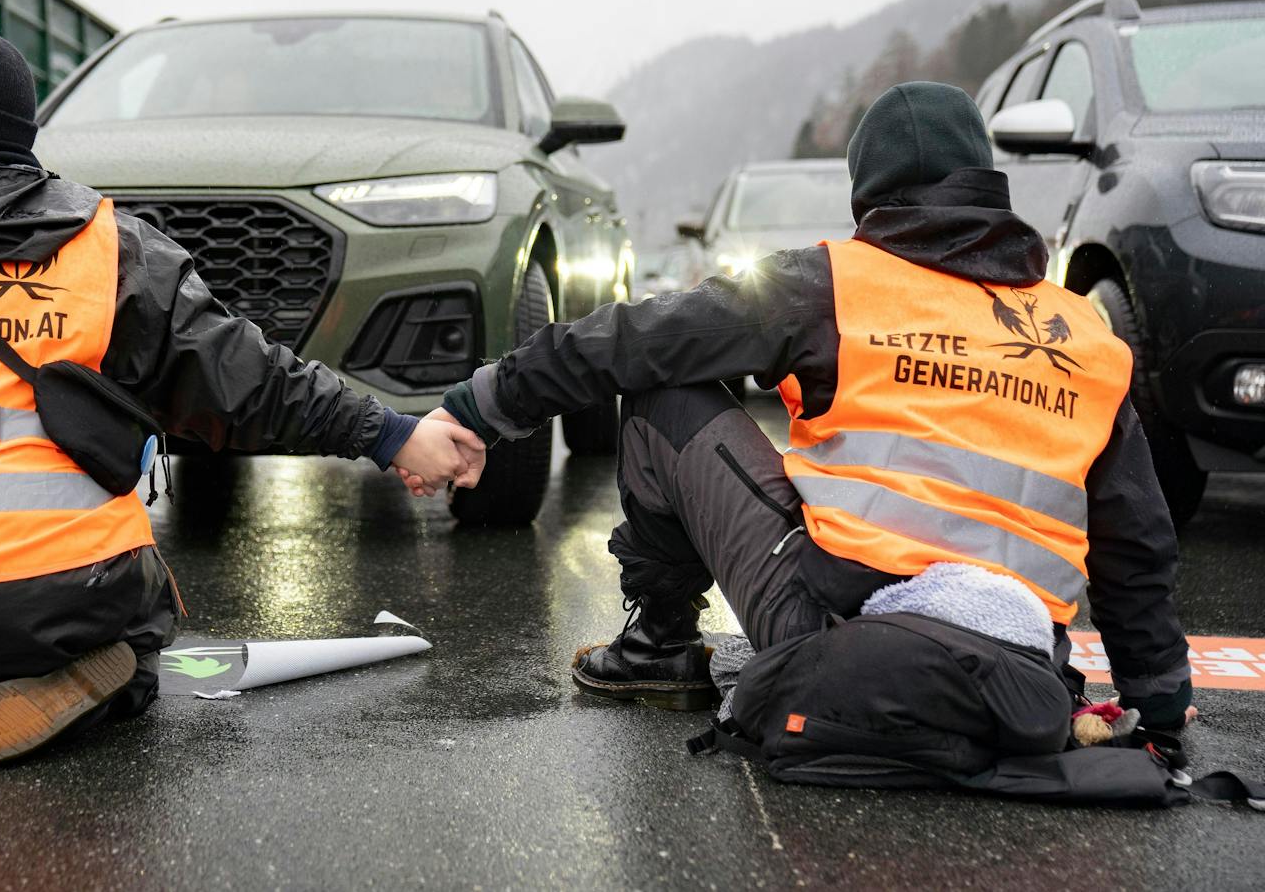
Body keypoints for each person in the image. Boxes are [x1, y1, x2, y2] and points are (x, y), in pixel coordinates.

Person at [0, 26, 486, 771]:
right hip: (59, 609)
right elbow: (250, 380)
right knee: (138, 625)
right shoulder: (108, 245)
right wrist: (391, 433)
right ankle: (78, 684)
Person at [413, 82, 1193, 733]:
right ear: (988, 185)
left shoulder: (833, 283)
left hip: (834, 634)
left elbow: (636, 338)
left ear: (869, 193)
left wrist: (484, 402)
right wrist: (1160, 705)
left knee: (660, 388)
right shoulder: (1082, 336)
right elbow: (1135, 545)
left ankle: (659, 646)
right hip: (1020, 669)